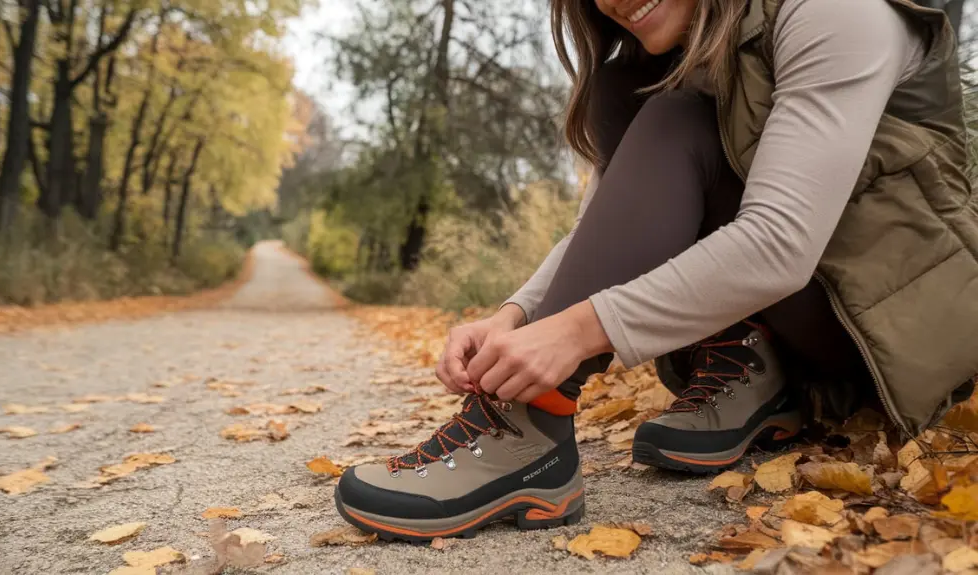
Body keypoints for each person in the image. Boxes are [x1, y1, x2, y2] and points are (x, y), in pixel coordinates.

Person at [334, 0, 978, 542]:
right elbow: (605, 232)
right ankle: (756, 371)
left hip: (893, 338)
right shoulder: (686, 50)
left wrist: (573, 335)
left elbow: (781, 242)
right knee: (635, 94)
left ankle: (527, 427)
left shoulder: (838, 11)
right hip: (812, 310)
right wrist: (514, 318)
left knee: (672, 114)